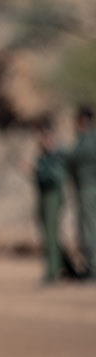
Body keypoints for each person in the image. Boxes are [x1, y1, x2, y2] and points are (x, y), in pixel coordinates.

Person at [34, 123, 67, 282]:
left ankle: (53, 271)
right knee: (47, 234)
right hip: (45, 197)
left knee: (52, 235)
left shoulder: (55, 156)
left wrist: (38, 171)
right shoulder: (44, 156)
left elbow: (56, 177)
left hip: (52, 197)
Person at [69, 106, 96, 276]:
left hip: (89, 188)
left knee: (89, 228)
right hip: (85, 188)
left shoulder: (88, 140)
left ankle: (92, 267)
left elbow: (75, 156)